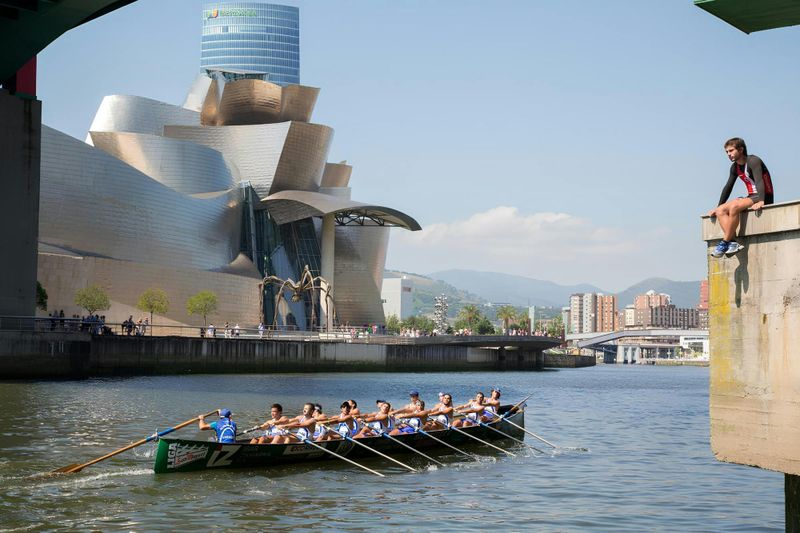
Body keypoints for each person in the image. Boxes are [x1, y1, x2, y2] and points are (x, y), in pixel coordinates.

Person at [708, 137, 775, 258]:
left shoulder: (753, 161)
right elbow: (728, 186)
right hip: (751, 196)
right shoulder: (735, 167)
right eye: (727, 152)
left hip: (763, 195)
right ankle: (733, 242)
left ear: (741, 149)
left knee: (734, 207)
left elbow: (760, 181)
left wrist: (761, 201)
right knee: (720, 211)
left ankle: (725, 242)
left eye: (731, 150)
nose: (729, 154)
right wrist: (718, 205)